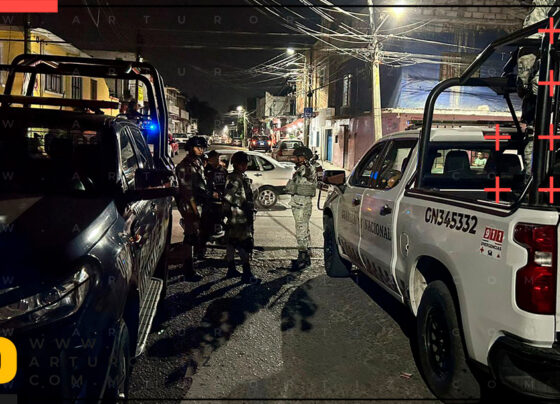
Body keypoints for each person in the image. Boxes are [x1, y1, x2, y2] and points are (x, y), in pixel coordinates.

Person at [175, 135, 213, 280]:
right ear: (191, 148)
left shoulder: (197, 162)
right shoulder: (185, 166)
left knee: (195, 235)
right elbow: (187, 191)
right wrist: (195, 211)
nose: (201, 150)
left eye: (202, 147)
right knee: (190, 237)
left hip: (197, 203)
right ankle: (188, 269)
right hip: (189, 205)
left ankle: (190, 265)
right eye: (198, 147)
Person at [223, 151, 260, 283]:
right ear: (236, 164)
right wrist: (243, 203)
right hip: (238, 217)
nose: (245, 166)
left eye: (245, 164)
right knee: (244, 243)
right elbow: (228, 195)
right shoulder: (234, 178)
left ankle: (231, 269)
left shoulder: (241, 176)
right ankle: (247, 273)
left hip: (241, 215)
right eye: (242, 164)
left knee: (232, 242)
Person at [286, 146, 317, 270]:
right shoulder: (301, 168)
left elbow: (308, 173)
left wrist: (306, 164)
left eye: (299, 156)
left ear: (305, 157)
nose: (296, 159)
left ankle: (302, 257)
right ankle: (306, 257)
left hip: (302, 204)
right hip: (299, 203)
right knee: (304, 230)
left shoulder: (307, 168)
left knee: (301, 231)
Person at [198, 150, 228, 258]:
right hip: (208, 203)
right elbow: (201, 186)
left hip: (220, 203)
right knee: (204, 228)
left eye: (218, 158)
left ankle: (228, 251)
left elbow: (226, 186)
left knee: (222, 225)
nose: (217, 160)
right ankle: (200, 251)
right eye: (214, 158)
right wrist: (210, 193)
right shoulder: (205, 171)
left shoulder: (223, 171)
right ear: (210, 159)